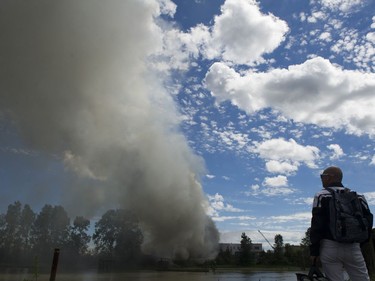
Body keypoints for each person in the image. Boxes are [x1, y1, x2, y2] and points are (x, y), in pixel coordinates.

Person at [310, 166, 373, 281]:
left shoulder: (321, 195)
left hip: (329, 247)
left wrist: (314, 251)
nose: (321, 179)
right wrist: (359, 243)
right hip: (354, 247)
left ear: (330, 177)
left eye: (322, 176)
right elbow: (368, 221)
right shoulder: (358, 196)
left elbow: (317, 225)